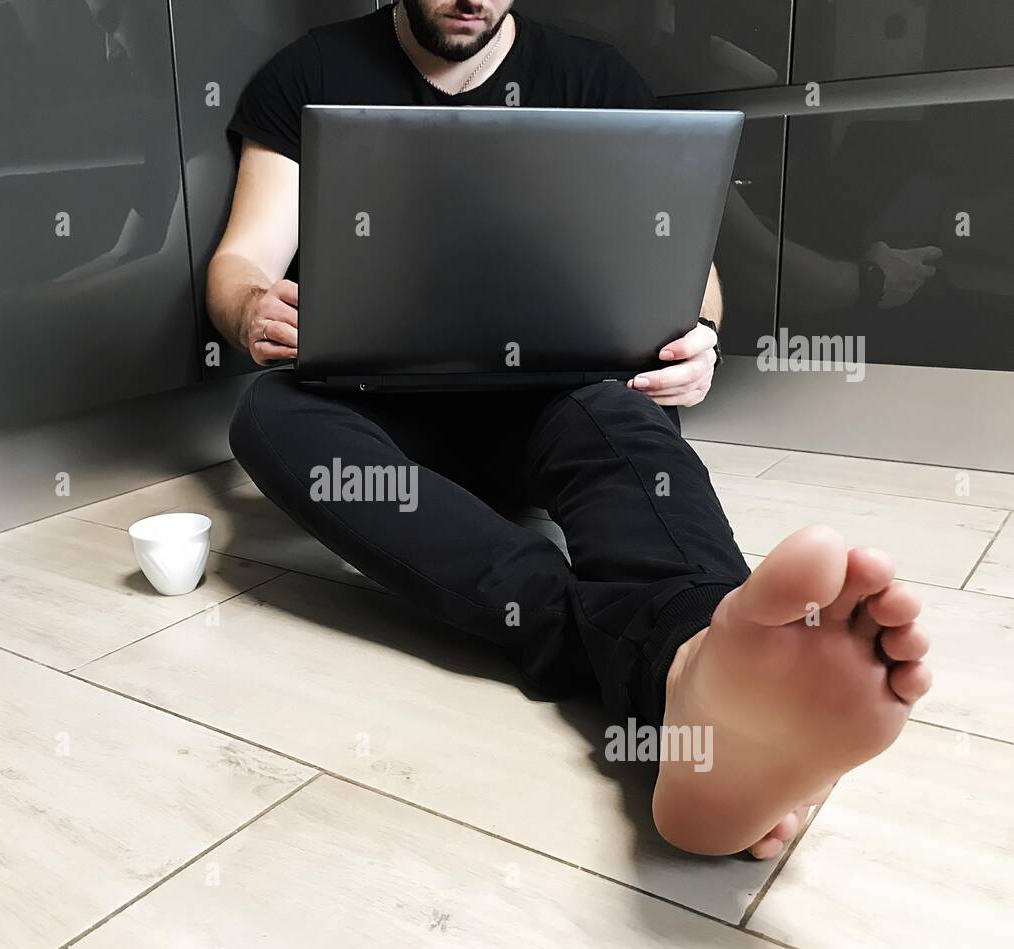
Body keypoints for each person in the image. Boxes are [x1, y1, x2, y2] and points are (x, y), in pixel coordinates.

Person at [207, 1, 932, 860]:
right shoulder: (312, 75)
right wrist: (252, 306)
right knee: (267, 412)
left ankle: (704, 651)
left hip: (556, 400)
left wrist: (699, 336)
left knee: (617, 412)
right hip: (386, 418)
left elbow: (690, 281)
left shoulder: (594, 80)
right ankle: (677, 674)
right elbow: (240, 260)